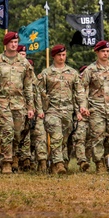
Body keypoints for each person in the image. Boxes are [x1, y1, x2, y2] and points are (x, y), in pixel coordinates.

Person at [0, 32, 35, 174]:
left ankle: (14, 156)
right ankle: (6, 162)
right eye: (12, 42)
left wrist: (31, 106)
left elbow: (28, 87)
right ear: (6, 44)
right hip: (2, 103)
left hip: (19, 103)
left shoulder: (24, 63)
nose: (14, 44)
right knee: (7, 131)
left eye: (16, 41)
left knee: (18, 133)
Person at [78, 40, 109, 173]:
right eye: (103, 51)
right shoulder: (90, 70)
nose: (106, 54)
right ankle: (99, 163)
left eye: (107, 51)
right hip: (96, 108)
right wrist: (83, 106)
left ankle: (106, 155)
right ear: (97, 52)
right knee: (97, 136)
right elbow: (82, 90)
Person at [36, 43, 82, 175]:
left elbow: (79, 92)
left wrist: (81, 107)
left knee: (63, 140)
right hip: (52, 110)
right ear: (54, 56)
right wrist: (40, 109)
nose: (62, 57)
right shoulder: (46, 73)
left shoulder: (72, 73)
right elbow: (38, 93)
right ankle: (59, 163)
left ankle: (54, 164)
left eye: (63, 55)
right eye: (59, 55)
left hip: (68, 111)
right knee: (56, 136)